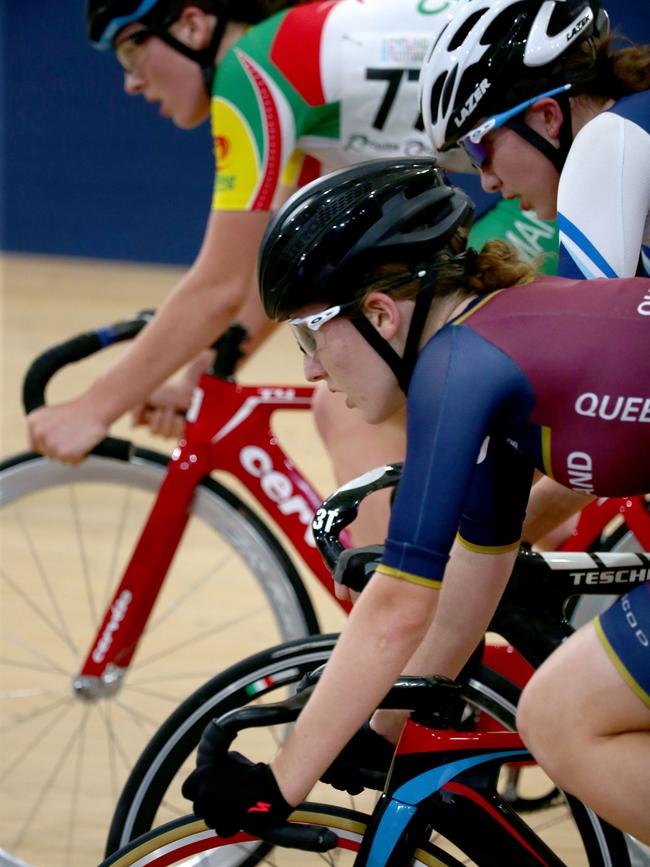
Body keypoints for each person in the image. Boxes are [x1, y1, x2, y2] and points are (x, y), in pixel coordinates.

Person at [181, 157, 650, 844]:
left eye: (312, 335)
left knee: (560, 715)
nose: (310, 367)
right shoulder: (498, 346)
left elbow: (399, 605)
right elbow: (471, 577)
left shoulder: (458, 366)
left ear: (379, 313)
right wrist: (379, 729)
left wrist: (280, 783)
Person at [26, 0, 559, 545]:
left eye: (130, 49)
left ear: (192, 23)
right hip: (552, 161)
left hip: (552, 168)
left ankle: (402, 610)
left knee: (353, 398)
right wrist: (200, 377)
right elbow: (287, 274)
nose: (130, 83)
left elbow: (218, 286)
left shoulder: (252, 72)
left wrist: (94, 407)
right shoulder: (300, 78)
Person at [419, 0, 650, 547]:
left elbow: (588, 396)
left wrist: (461, 548)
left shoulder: (608, 142)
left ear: (546, 116)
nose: (488, 183)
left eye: (479, 147)